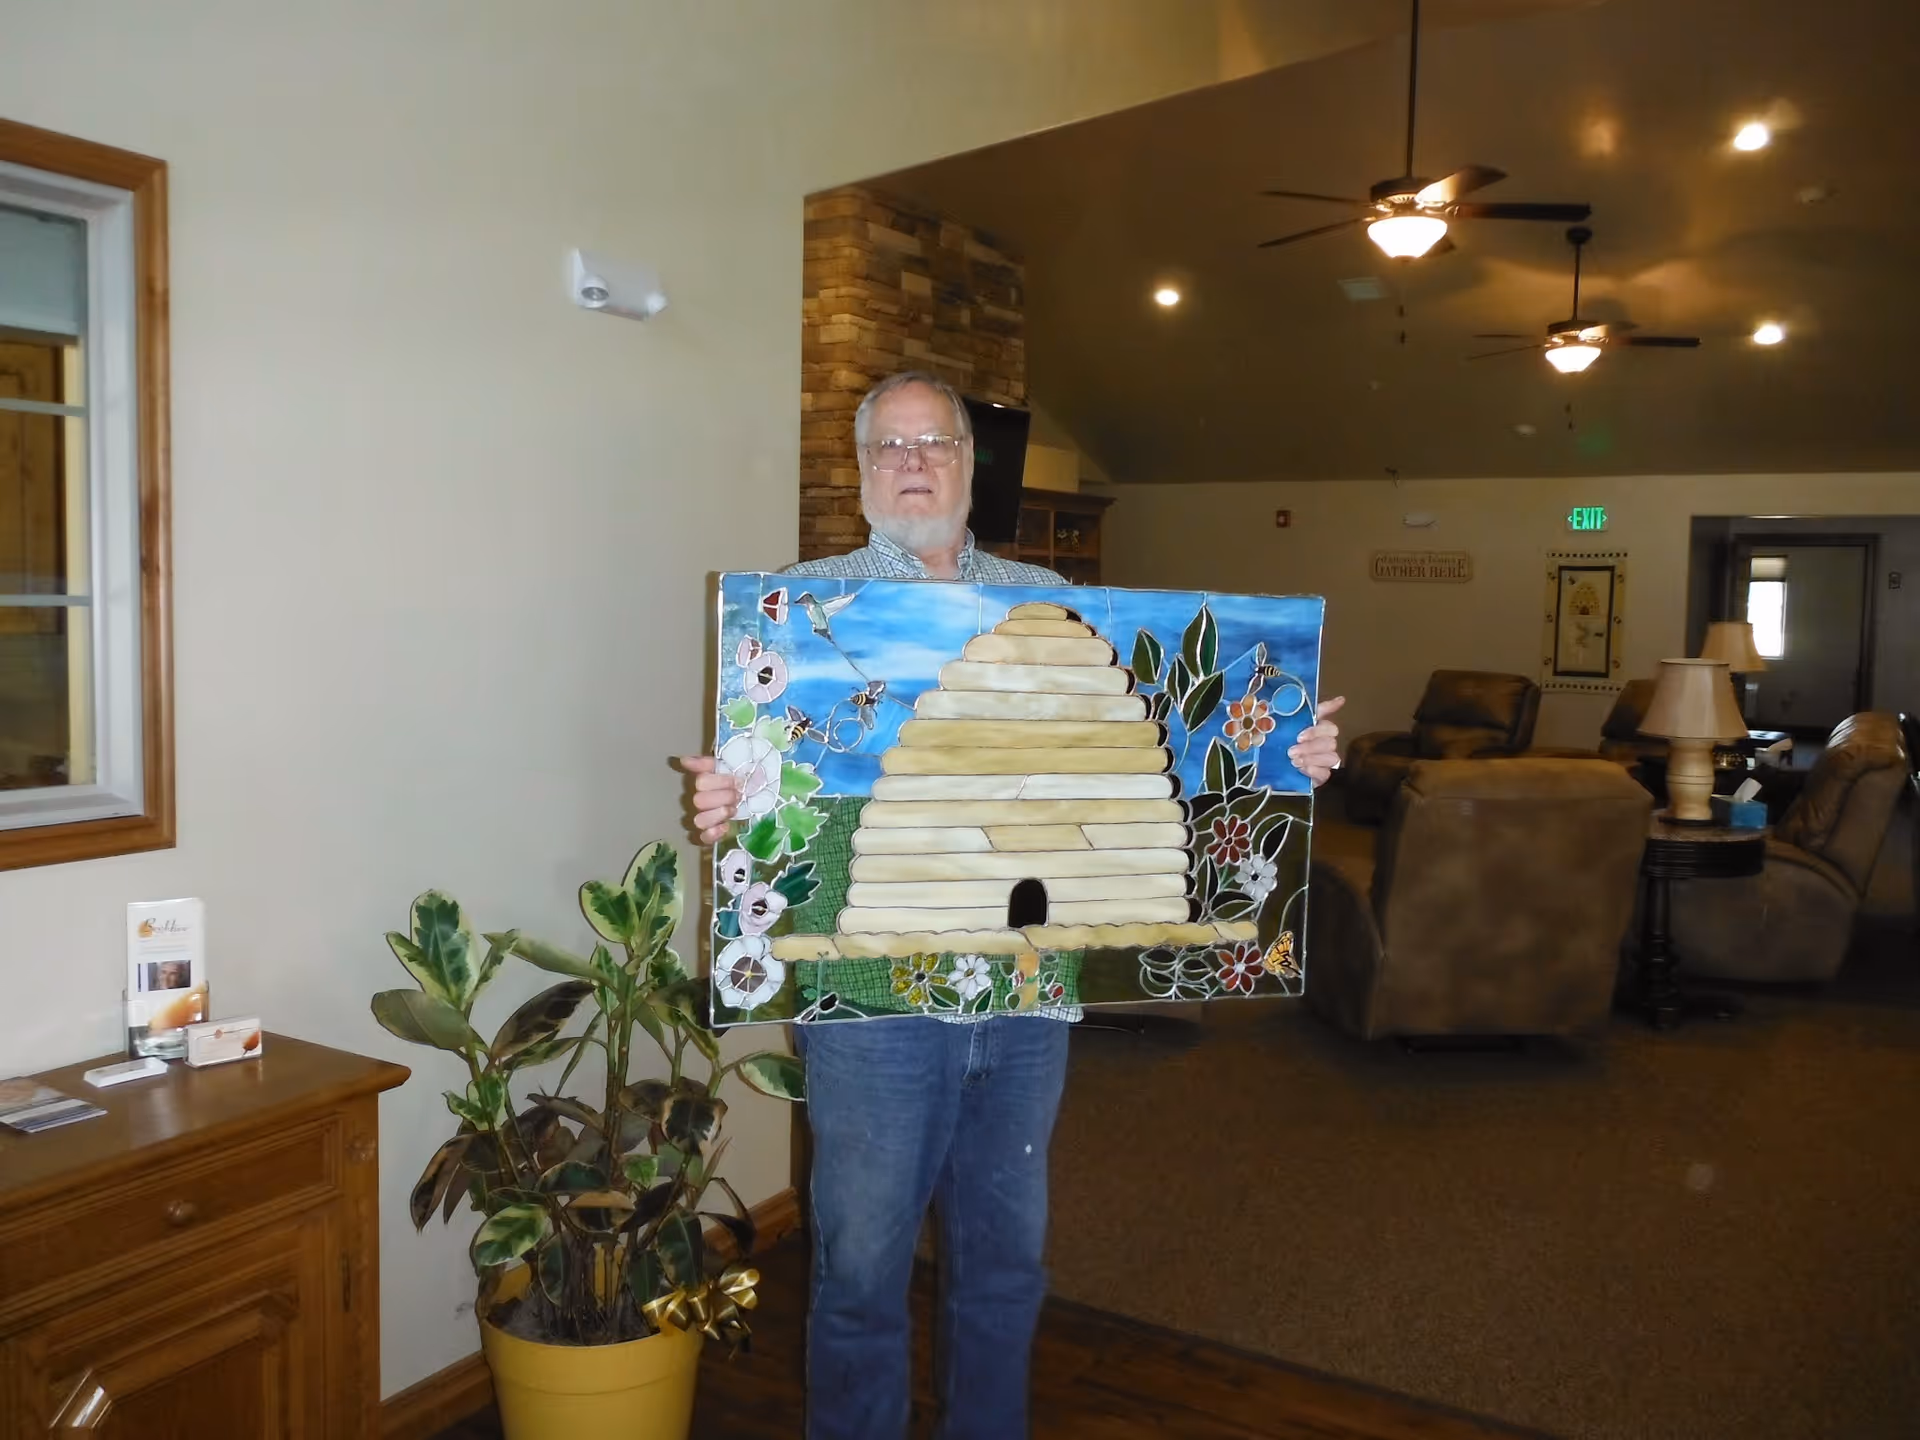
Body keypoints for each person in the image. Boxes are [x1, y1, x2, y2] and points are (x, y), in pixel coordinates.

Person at [679, 370, 1343, 1440]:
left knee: (1003, 1268)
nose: (913, 464)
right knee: (859, 1271)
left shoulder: (1052, 600)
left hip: (1029, 1003)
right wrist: (726, 801)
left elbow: (1173, 749)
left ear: (969, 465)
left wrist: (1287, 754)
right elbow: (767, 798)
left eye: (933, 443)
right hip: (874, 1005)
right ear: (859, 473)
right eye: (889, 447)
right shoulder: (801, 610)